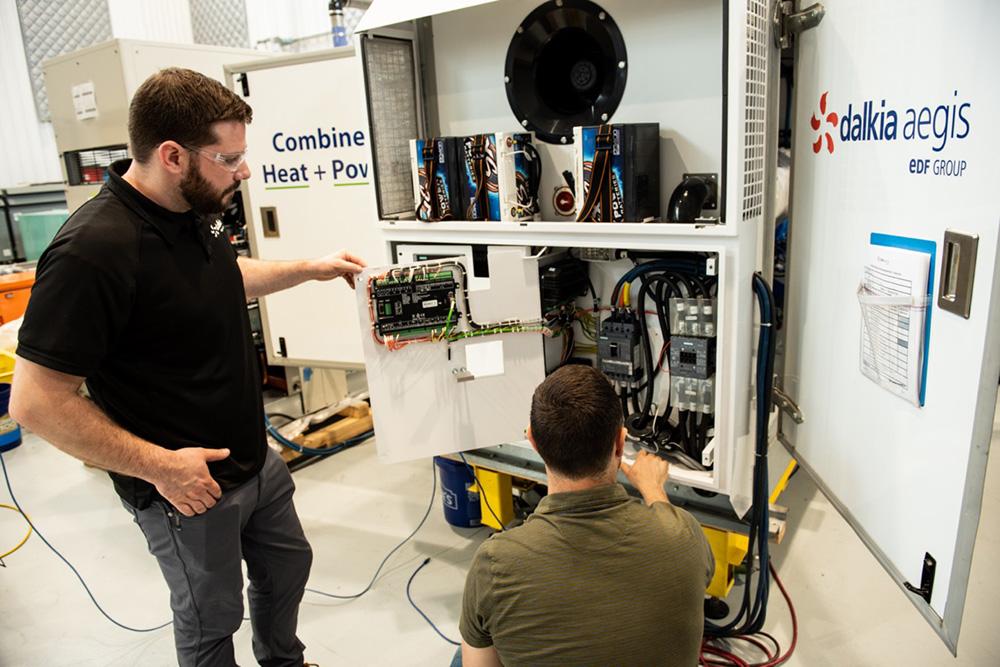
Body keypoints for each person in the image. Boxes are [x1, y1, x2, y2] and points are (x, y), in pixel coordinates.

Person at [9, 68, 366, 667]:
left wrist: (310, 269)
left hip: (254, 458)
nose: (243, 172)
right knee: (211, 616)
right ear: (173, 156)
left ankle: (284, 661)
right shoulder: (93, 251)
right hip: (185, 488)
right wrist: (162, 468)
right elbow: (35, 402)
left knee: (288, 567)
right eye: (229, 159)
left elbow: (220, 277)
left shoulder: (193, 206)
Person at [458, 365, 715, 667]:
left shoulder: (494, 563)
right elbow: (676, 535)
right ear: (620, 443)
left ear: (533, 442)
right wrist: (653, 489)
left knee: (471, 643)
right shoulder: (684, 535)